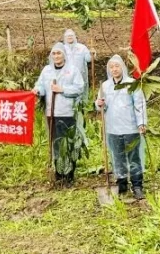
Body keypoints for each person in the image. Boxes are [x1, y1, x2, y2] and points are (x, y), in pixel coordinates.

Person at [95, 55, 147, 200]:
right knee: (117, 157)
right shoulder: (105, 86)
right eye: (111, 67)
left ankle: (137, 185)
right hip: (113, 128)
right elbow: (100, 105)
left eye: (117, 66)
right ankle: (122, 183)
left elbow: (139, 104)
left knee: (133, 157)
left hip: (130, 127)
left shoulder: (132, 84)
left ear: (122, 67)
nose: (114, 69)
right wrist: (98, 104)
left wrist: (141, 123)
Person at [34, 43, 85, 185]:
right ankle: (59, 172)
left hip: (66, 112)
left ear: (64, 55)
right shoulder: (47, 70)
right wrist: (38, 91)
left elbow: (79, 88)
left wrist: (62, 89)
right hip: (51, 112)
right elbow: (40, 85)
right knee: (56, 143)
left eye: (59, 53)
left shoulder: (72, 70)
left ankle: (69, 174)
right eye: (54, 54)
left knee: (67, 143)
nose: (56, 56)